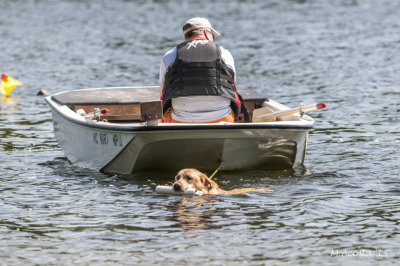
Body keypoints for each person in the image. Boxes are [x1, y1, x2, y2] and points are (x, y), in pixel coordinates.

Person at [159, 17, 244, 123]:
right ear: (205, 32)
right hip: (222, 118)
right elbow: (232, 85)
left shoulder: (169, 56)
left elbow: (163, 91)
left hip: (180, 121)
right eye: (212, 35)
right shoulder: (225, 53)